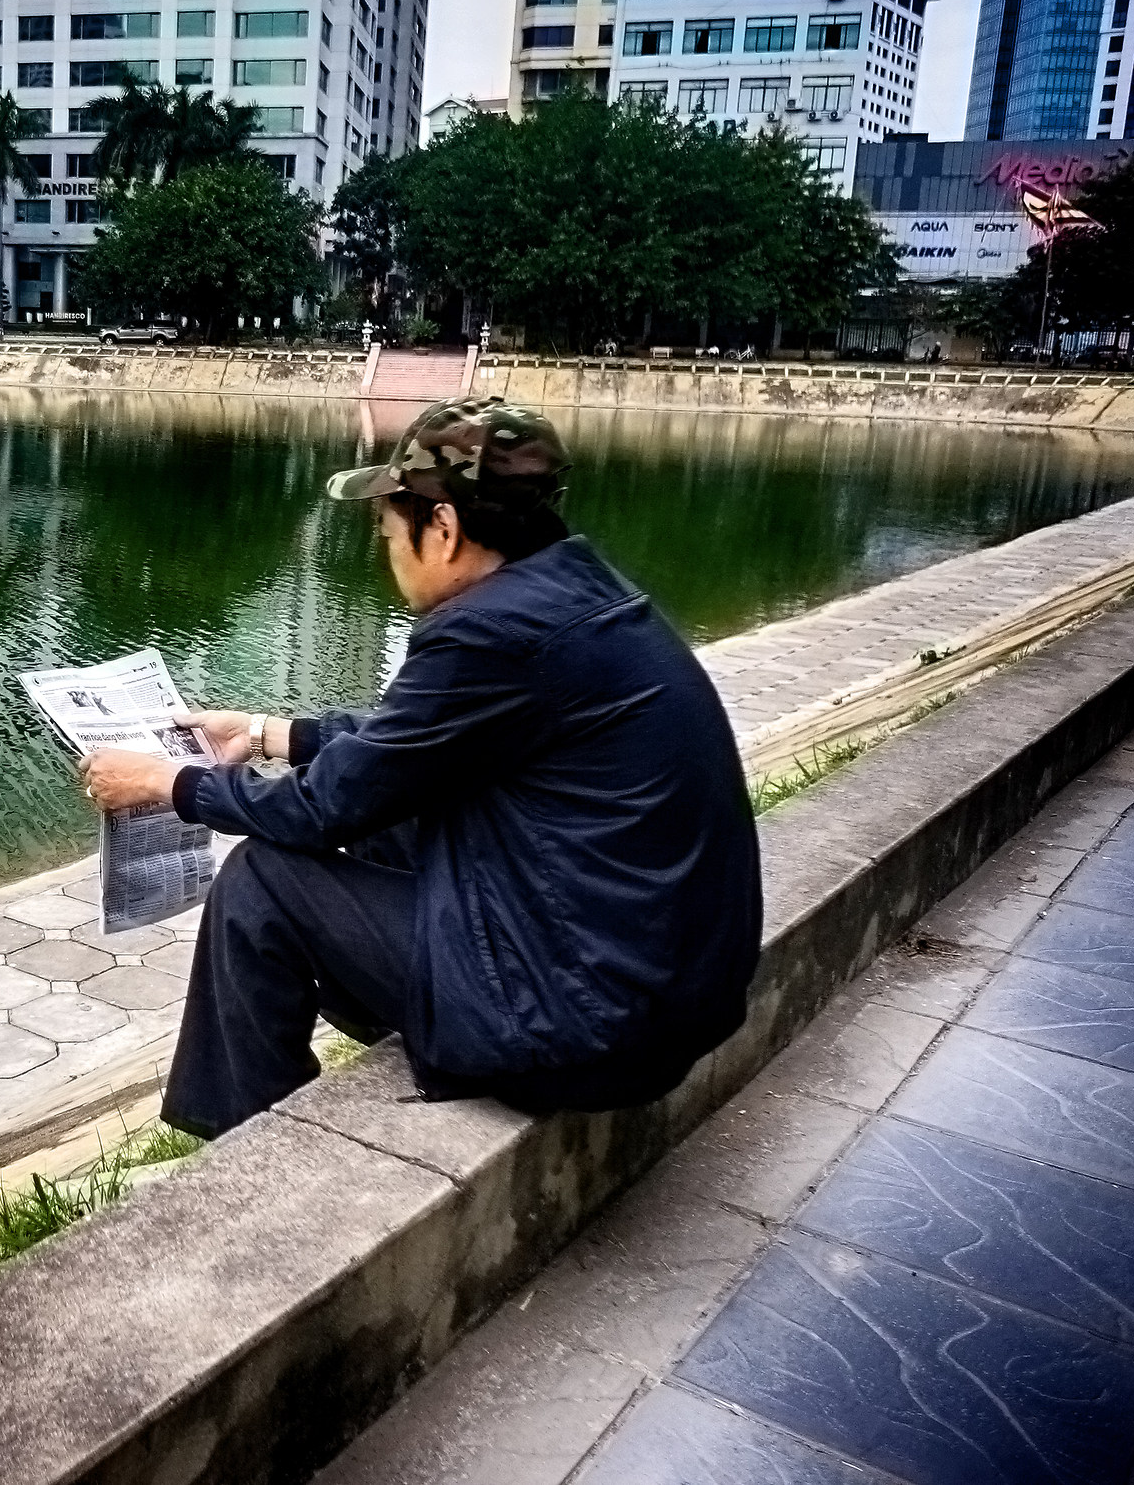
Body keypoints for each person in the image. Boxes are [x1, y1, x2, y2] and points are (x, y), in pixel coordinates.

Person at [79, 400, 763, 1137]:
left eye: (387, 530)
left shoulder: (488, 631)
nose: (389, 552)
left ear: (442, 526)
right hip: (662, 998)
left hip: (586, 1030)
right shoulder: (576, 593)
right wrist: (264, 732)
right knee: (389, 819)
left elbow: (320, 809)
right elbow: (410, 748)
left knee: (263, 882)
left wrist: (168, 783)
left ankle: (246, 1141)